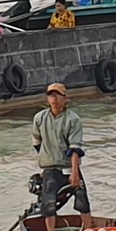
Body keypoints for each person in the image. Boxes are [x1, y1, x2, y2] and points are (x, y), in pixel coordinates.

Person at [32, 82, 88, 216]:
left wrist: (75, 173)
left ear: (65, 98)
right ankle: (50, 230)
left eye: (57, 96)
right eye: (51, 96)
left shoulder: (73, 119)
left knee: (82, 201)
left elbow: (75, 149)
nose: (54, 99)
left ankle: (87, 227)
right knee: (48, 205)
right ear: (47, 99)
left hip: (69, 166)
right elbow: (37, 142)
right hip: (51, 168)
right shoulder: (39, 118)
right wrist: (47, 159)